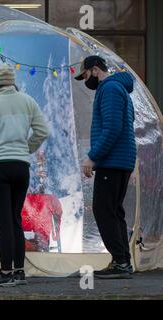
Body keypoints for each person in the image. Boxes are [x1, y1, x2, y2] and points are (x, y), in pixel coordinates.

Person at [0, 63, 50, 287]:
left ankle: (5, 273)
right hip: (21, 167)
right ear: (12, 80)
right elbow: (43, 131)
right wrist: (26, 149)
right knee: (15, 219)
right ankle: (19, 271)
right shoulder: (28, 102)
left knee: (3, 221)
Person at [75, 56, 136, 279]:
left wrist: (92, 157)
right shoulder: (119, 89)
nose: (85, 81)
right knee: (114, 211)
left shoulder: (109, 89)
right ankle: (122, 261)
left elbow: (112, 128)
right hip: (121, 160)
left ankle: (120, 262)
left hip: (112, 161)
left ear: (94, 70)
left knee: (103, 210)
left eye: (86, 76)